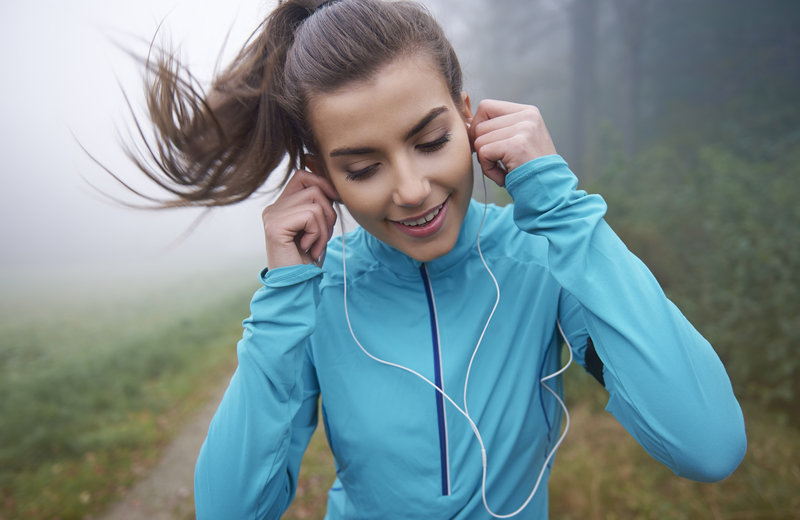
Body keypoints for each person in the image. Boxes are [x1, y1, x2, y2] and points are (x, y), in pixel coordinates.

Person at [123, 0, 746, 517]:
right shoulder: (313, 297)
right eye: (363, 167)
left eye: (431, 141)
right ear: (320, 176)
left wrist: (562, 209)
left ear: (468, 116)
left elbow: (708, 445)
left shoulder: (542, 256)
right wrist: (284, 297)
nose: (412, 189)